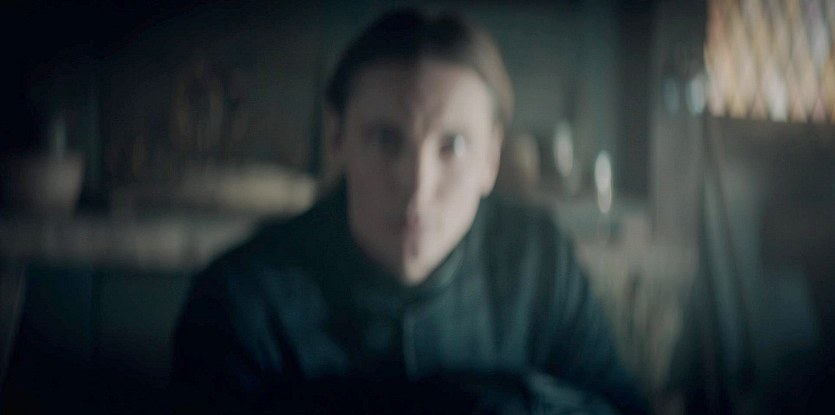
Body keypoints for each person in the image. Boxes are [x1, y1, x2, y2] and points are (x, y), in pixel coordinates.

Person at [172, 8, 646, 414]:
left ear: (491, 158)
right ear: (337, 138)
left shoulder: (540, 265)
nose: (417, 186)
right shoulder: (243, 299)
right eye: (385, 139)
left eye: (452, 145)